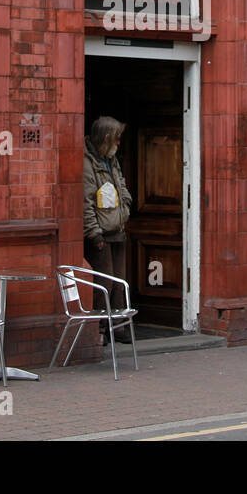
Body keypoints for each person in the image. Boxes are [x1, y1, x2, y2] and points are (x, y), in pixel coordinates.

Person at [83, 115, 133, 342]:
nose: (119, 144)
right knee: (105, 282)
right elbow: (86, 201)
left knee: (120, 281)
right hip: (101, 234)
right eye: (117, 139)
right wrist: (94, 234)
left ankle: (120, 326)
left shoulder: (110, 159)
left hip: (117, 228)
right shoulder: (87, 163)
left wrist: (127, 202)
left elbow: (120, 183)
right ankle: (100, 329)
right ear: (106, 138)